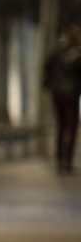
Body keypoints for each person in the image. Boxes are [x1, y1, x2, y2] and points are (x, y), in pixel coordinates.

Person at [43, 25, 81, 174]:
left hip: (57, 93)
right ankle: (67, 160)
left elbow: (47, 68)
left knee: (61, 126)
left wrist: (49, 84)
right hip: (70, 94)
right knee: (70, 126)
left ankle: (60, 159)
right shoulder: (77, 54)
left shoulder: (57, 51)